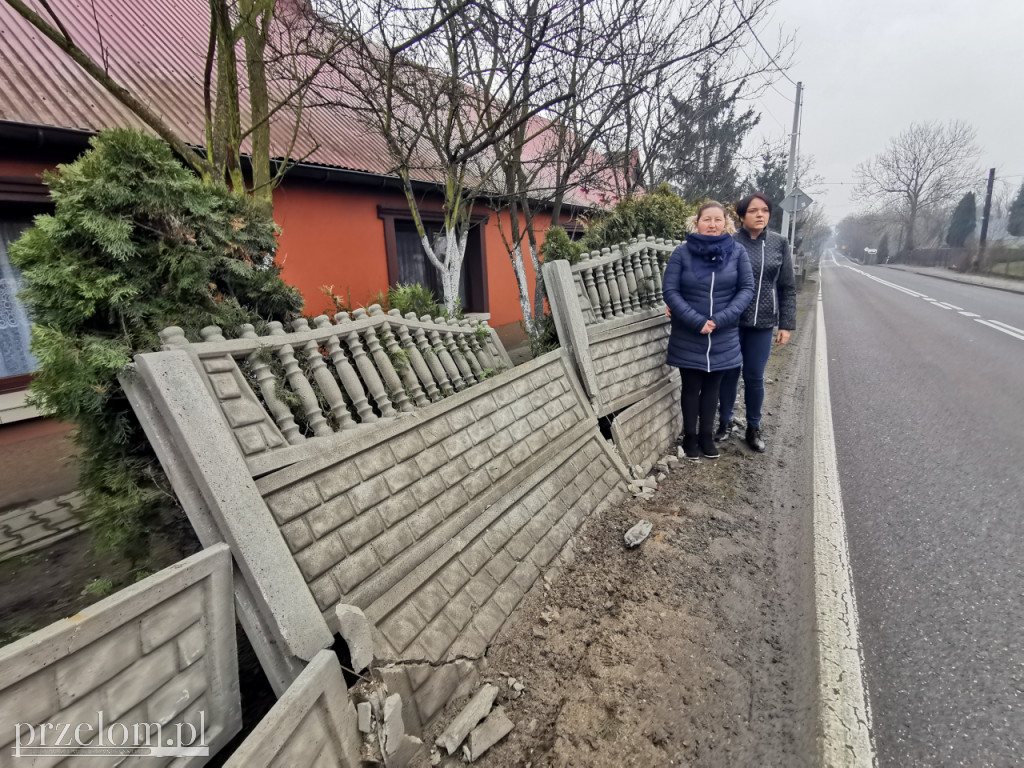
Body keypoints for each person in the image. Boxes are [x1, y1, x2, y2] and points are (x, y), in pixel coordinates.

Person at [663, 201, 754, 460]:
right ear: (697, 222)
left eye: (718, 220)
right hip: (688, 333)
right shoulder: (681, 253)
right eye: (707, 219)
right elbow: (670, 290)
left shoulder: (737, 252)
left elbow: (746, 289)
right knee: (691, 388)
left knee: (713, 388)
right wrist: (696, 321)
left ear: (726, 223)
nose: (712, 224)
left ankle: (706, 436)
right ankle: (690, 437)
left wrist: (719, 320)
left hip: (723, 334)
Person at [715, 193, 797, 452]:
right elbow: (711, 282)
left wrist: (786, 324)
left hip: (762, 323)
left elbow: (787, 287)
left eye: (764, 210)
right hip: (731, 322)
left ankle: (753, 427)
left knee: (754, 377)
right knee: (728, 373)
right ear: (741, 216)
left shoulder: (779, 243)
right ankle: (725, 423)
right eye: (753, 211)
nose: (760, 215)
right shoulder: (728, 242)